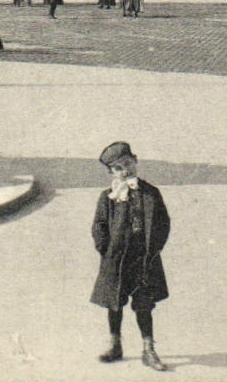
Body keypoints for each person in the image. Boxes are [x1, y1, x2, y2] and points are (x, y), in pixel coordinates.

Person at [90, 141, 171, 372]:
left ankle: (148, 349)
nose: (124, 170)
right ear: (111, 172)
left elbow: (163, 223)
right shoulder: (108, 197)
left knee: (144, 304)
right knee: (114, 303)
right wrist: (105, 250)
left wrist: (153, 250)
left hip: (142, 259)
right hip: (115, 260)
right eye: (118, 168)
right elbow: (99, 226)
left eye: (127, 164)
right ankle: (115, 344)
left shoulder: (151, 193)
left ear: (135, 161)